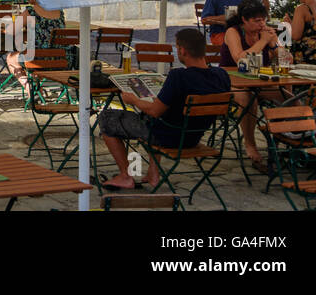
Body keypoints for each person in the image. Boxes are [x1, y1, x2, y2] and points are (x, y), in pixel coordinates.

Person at [98, 28, 231, 190]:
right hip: (193, 137)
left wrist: (133, 99)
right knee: (157, 117)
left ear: (182, 50)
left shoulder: (179, 76)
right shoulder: (221, 75)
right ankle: (153, 174)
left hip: (166, 137)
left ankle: (125, 176)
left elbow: (155, 111)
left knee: (107, 117)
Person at [221, 0, 278, 170]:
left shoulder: (266, 32)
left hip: (259, 81)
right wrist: (263, 42)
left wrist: (276, 46)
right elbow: (240, 60)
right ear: (244, 20)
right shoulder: (233, 31)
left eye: (264, 19)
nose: (262, 24)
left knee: (289, 97)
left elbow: (280, 57)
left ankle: (292, 139)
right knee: (248, 99)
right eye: (257, 20)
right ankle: (250, 144)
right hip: (231, 82)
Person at [7, 0, 64, 91]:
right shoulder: (59, 12)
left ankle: (30, 88)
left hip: (38, 59)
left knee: (11, 58)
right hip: (62, 59)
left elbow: (10, 31)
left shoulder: (31, 11)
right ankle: (37, 86)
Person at [201, 0, 271, 46]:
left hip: (246, 33)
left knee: (268, 40)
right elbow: (204, 20)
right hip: (221, 33)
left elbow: (264, 10)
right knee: (241, 43)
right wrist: (226, 18)